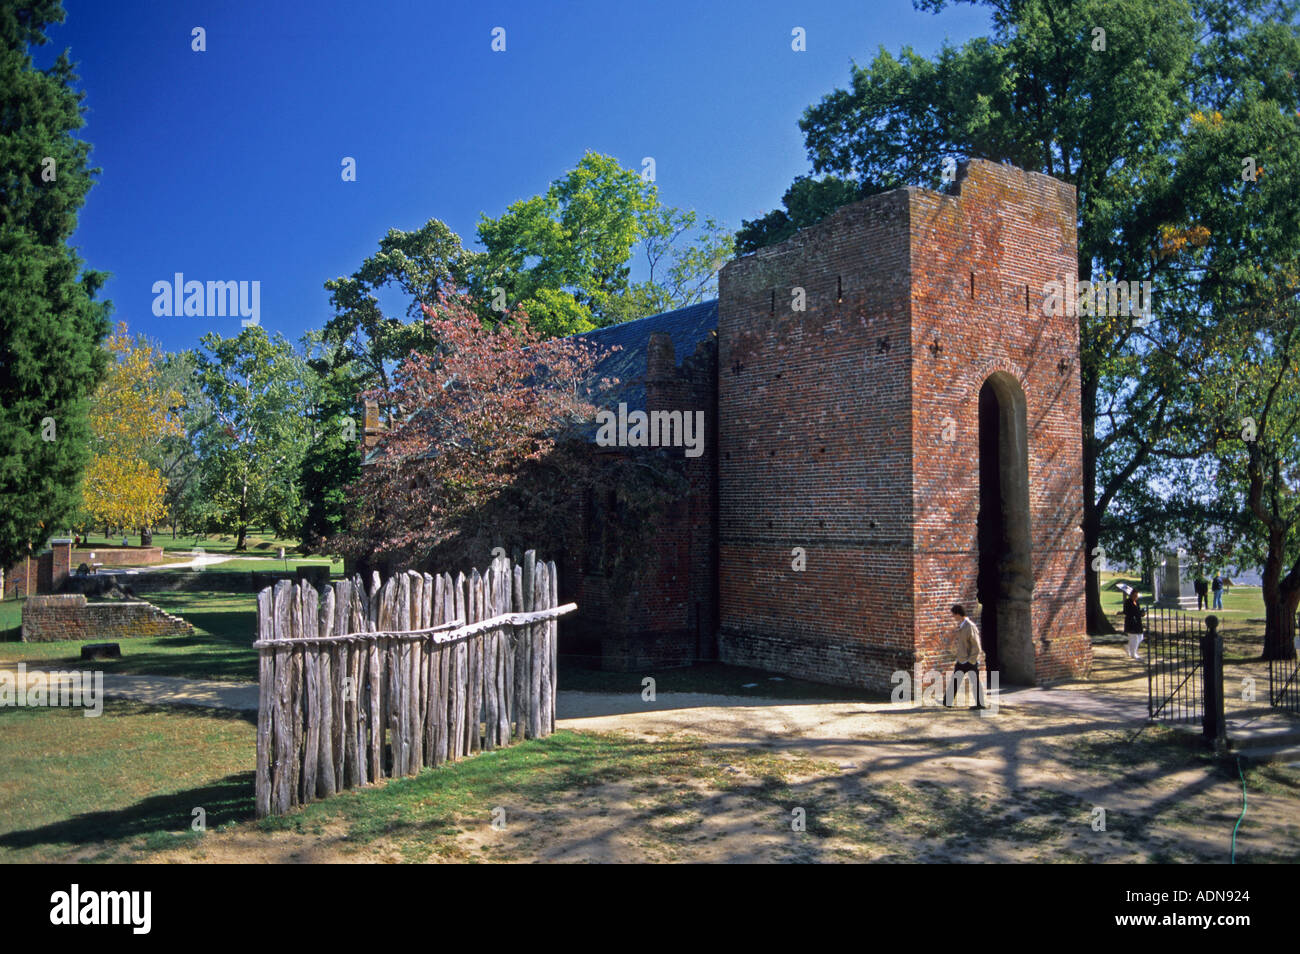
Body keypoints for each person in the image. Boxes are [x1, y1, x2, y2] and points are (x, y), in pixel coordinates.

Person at [945, 604, 986, 708]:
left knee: (974, 683)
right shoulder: (962, 626)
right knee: (956, 680)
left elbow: (976, 646)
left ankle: (980, 704)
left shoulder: (970, 626)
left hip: (969, 660)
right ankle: (947, 702)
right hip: (962, 659)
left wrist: (971, 660)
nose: (953, 617)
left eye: (954, 615)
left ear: (958, 614)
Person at [1123, 589, 1146, 660]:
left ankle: (1128, 647)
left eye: (1137, 596)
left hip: (1137, 622)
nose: (1136, 597)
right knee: (1134, 638)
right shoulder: (1128, 602)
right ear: (1131, 595)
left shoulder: (1137, 602)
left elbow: (1137, 612)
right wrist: (1137, 613)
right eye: (1135, 595)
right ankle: (1133, 653)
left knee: (1140, 637)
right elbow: (1127, 612)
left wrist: (1142, 613)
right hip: (1131, 622)